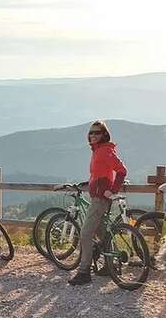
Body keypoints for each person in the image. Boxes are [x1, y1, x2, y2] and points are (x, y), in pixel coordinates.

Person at [69, 120, 127, 285]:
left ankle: (84, 272)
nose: (93, 135)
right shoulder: (98, 151)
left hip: (100, 199)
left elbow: (122, 171)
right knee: (102, 233)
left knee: (86, 234)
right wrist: (89, 184)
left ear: (104, 135)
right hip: (97, 196)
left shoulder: (105, 151)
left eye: (97, 132)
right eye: (91, 132)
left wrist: (113, 191)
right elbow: (99, 174)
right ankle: (111, 266)